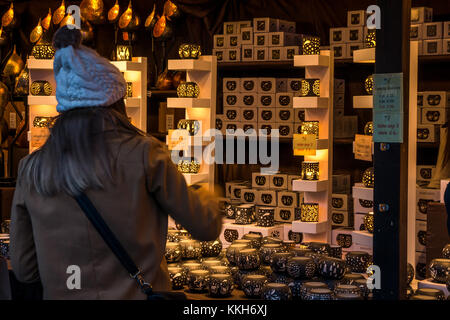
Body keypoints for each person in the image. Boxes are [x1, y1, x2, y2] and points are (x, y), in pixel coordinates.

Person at [9, 26, 222, 300]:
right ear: (116, 103)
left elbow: (25, 269)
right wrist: (208, 197)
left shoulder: (32, 169)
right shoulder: (146, 155)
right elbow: (205, 227)